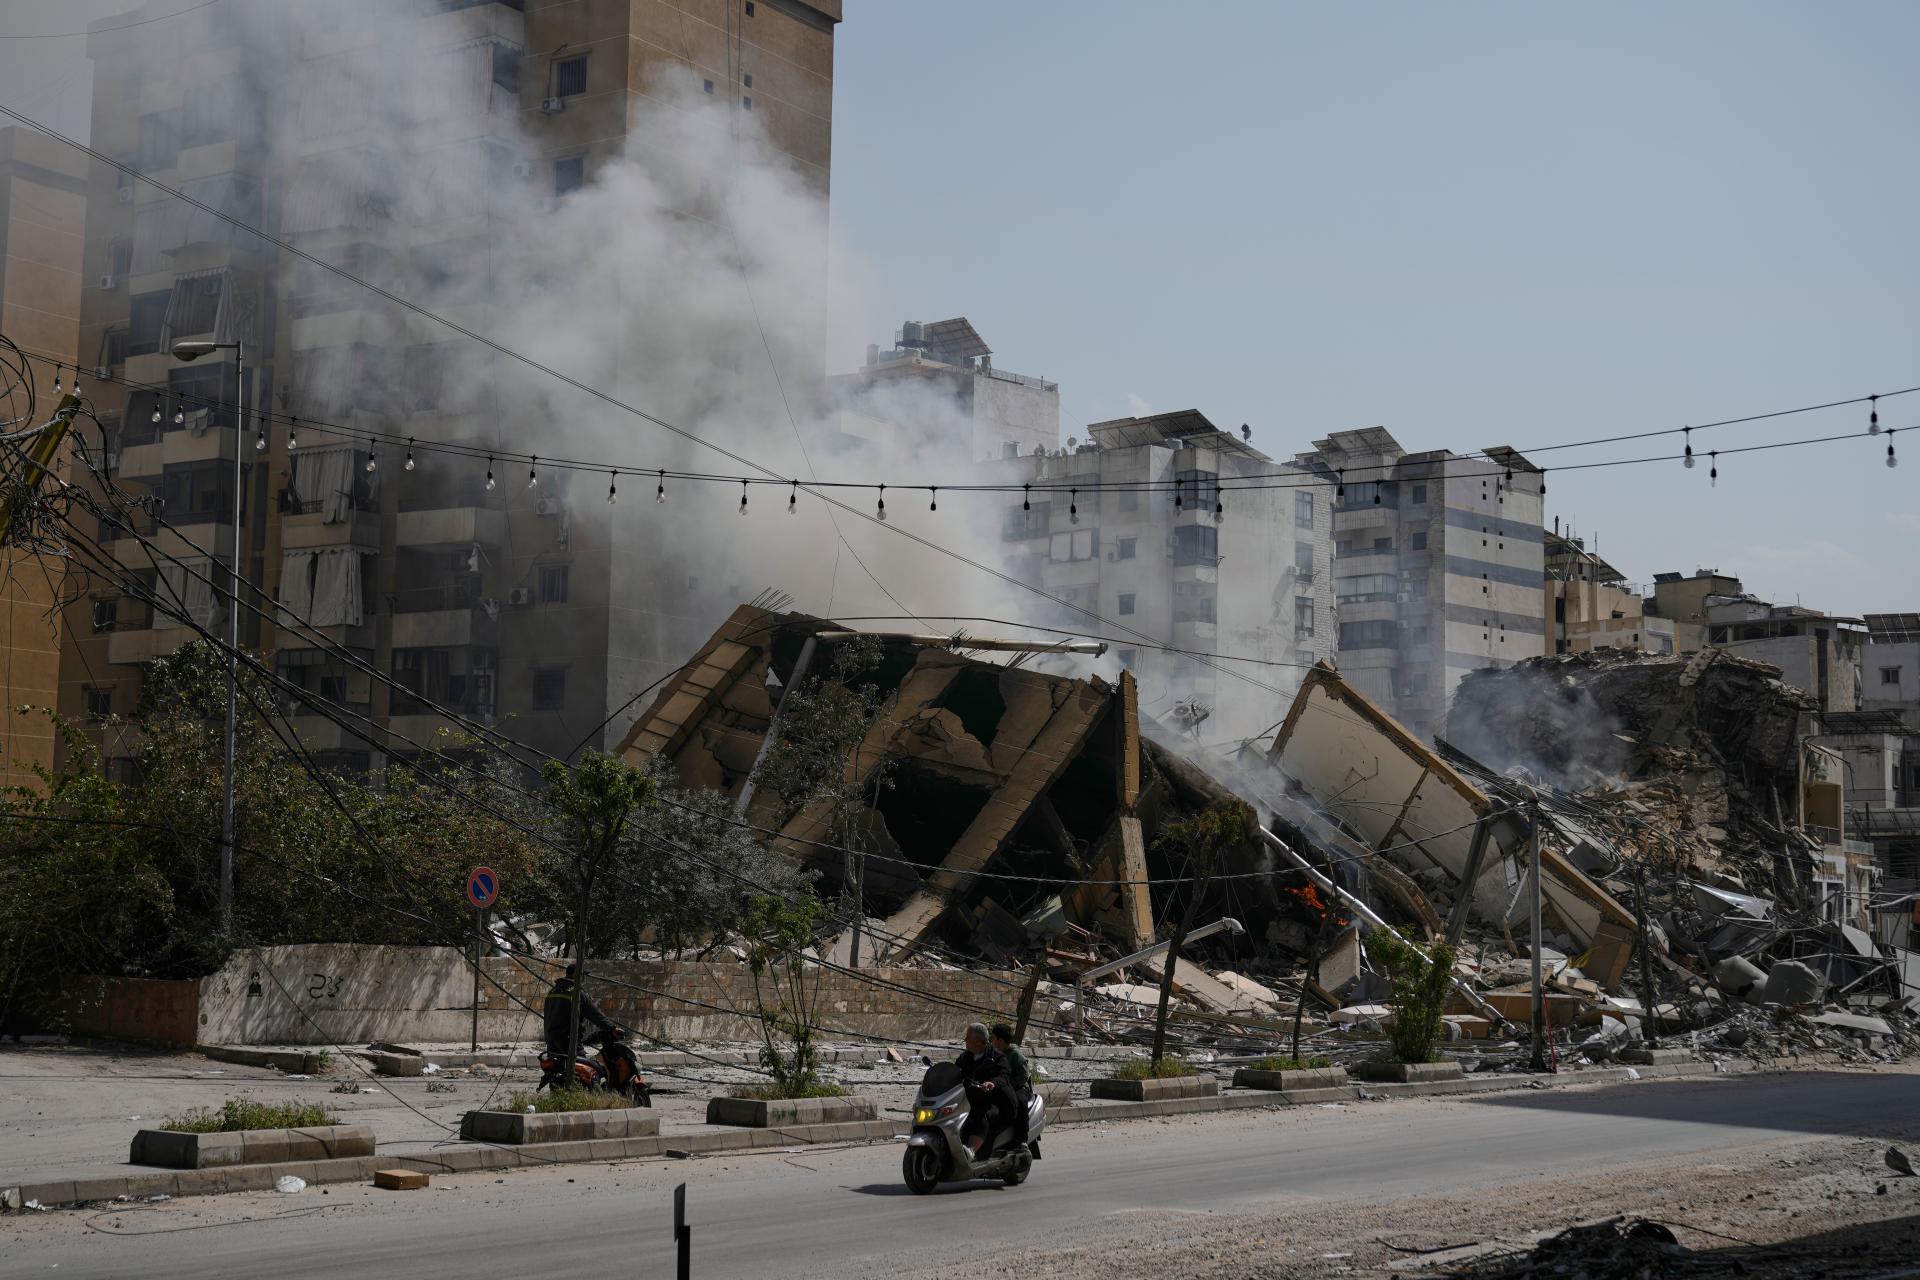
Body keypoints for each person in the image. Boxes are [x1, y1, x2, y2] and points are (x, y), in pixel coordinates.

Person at [955, 1021, 1013, 1157]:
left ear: (978, 1042)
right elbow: (955, 1072)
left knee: (982, 1114)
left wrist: (992, 1083)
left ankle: (971, 1151)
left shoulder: (997, 1057)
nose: (965, 1041)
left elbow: (1004, 1075)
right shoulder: (965, 1057)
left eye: (968, 1038)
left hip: (995, 1101)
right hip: (970, 1099)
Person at [543, 962, 616, 1063]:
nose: (584, 979)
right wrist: (612, 1028)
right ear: (577, 975)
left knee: (557, 1069)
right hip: (568, 1040)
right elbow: (595, 1015)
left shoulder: (553, 991)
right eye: (583, 975)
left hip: (550, 1039)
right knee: (582, 1070)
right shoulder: (577, 993)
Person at [990, 1023, 1037, 1156]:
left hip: (1018, 1088)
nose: (991, 1040)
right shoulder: (993, 1053)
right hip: (1000, 1086)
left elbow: (1023, 1076)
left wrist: (1009, 1085)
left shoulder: (1015, 1054)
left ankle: (1022, 1139)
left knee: (1019, 1102)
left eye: (993, 1037)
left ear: (1000, 1040)